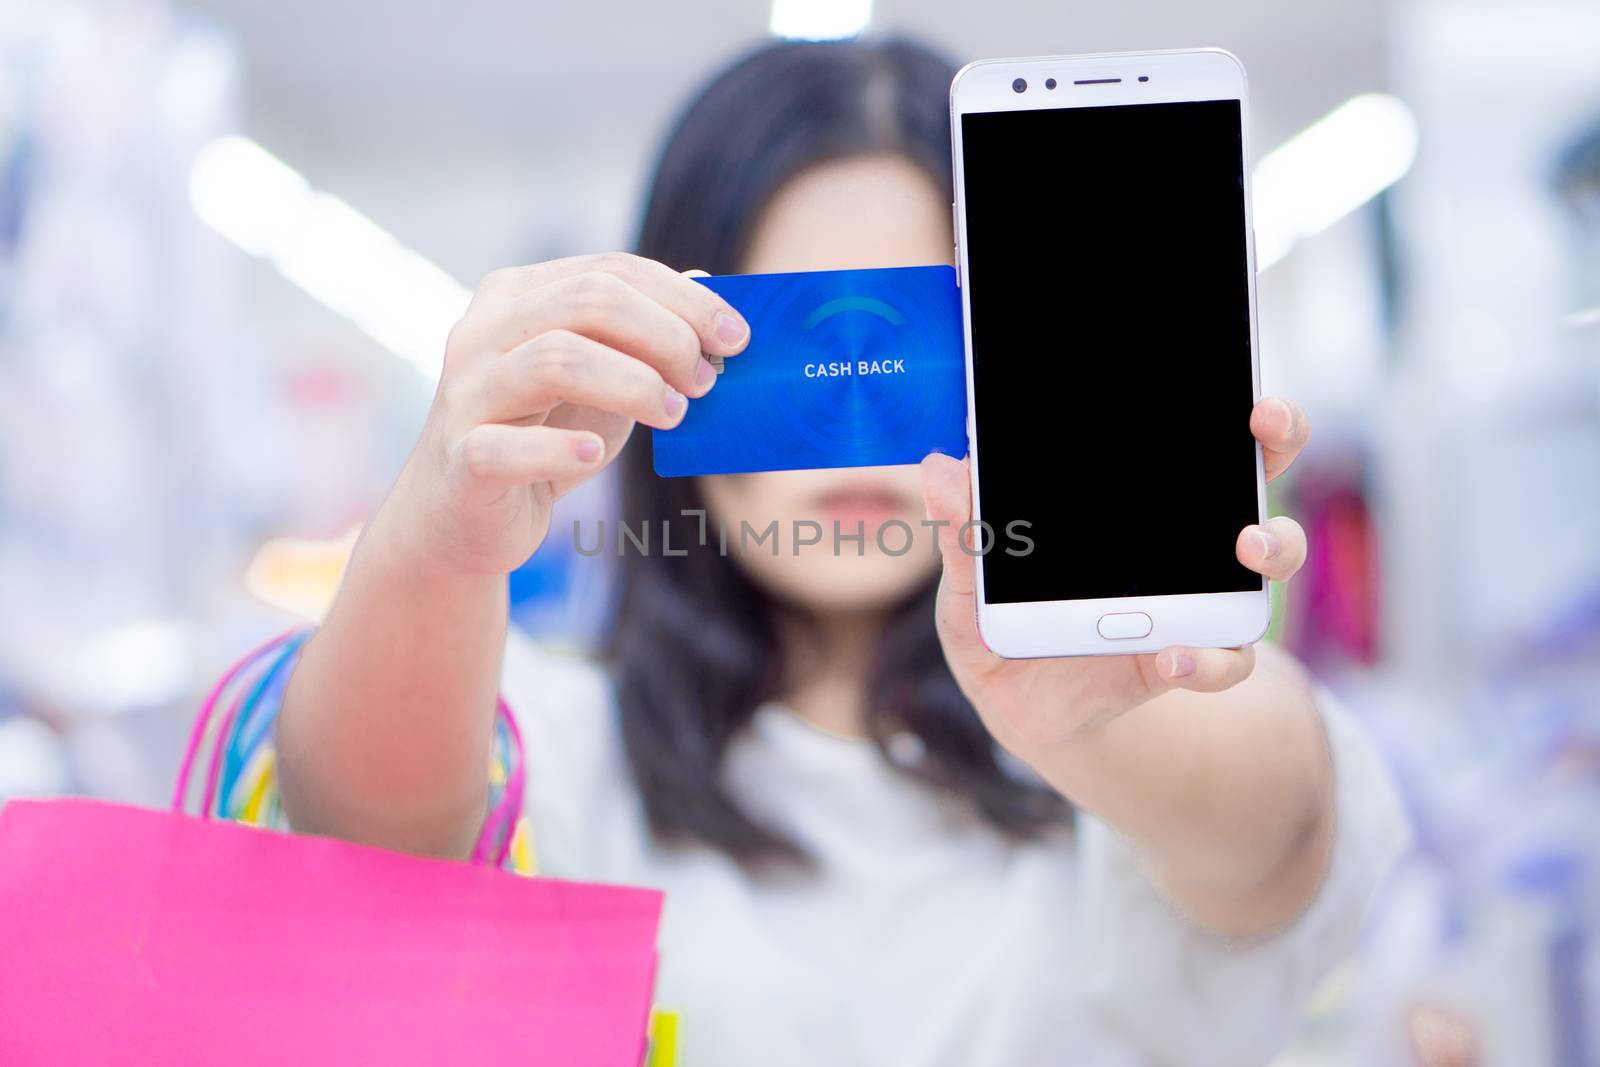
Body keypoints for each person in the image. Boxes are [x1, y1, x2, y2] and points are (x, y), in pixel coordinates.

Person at [276, 36, 1408, 1067]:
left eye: (916, 334)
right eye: (789, 334)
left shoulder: (1130, 747)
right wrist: (433, 533)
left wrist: (1102, 711)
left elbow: (1282, 825)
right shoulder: (553, 737)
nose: (855, 416)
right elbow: (363, 836)